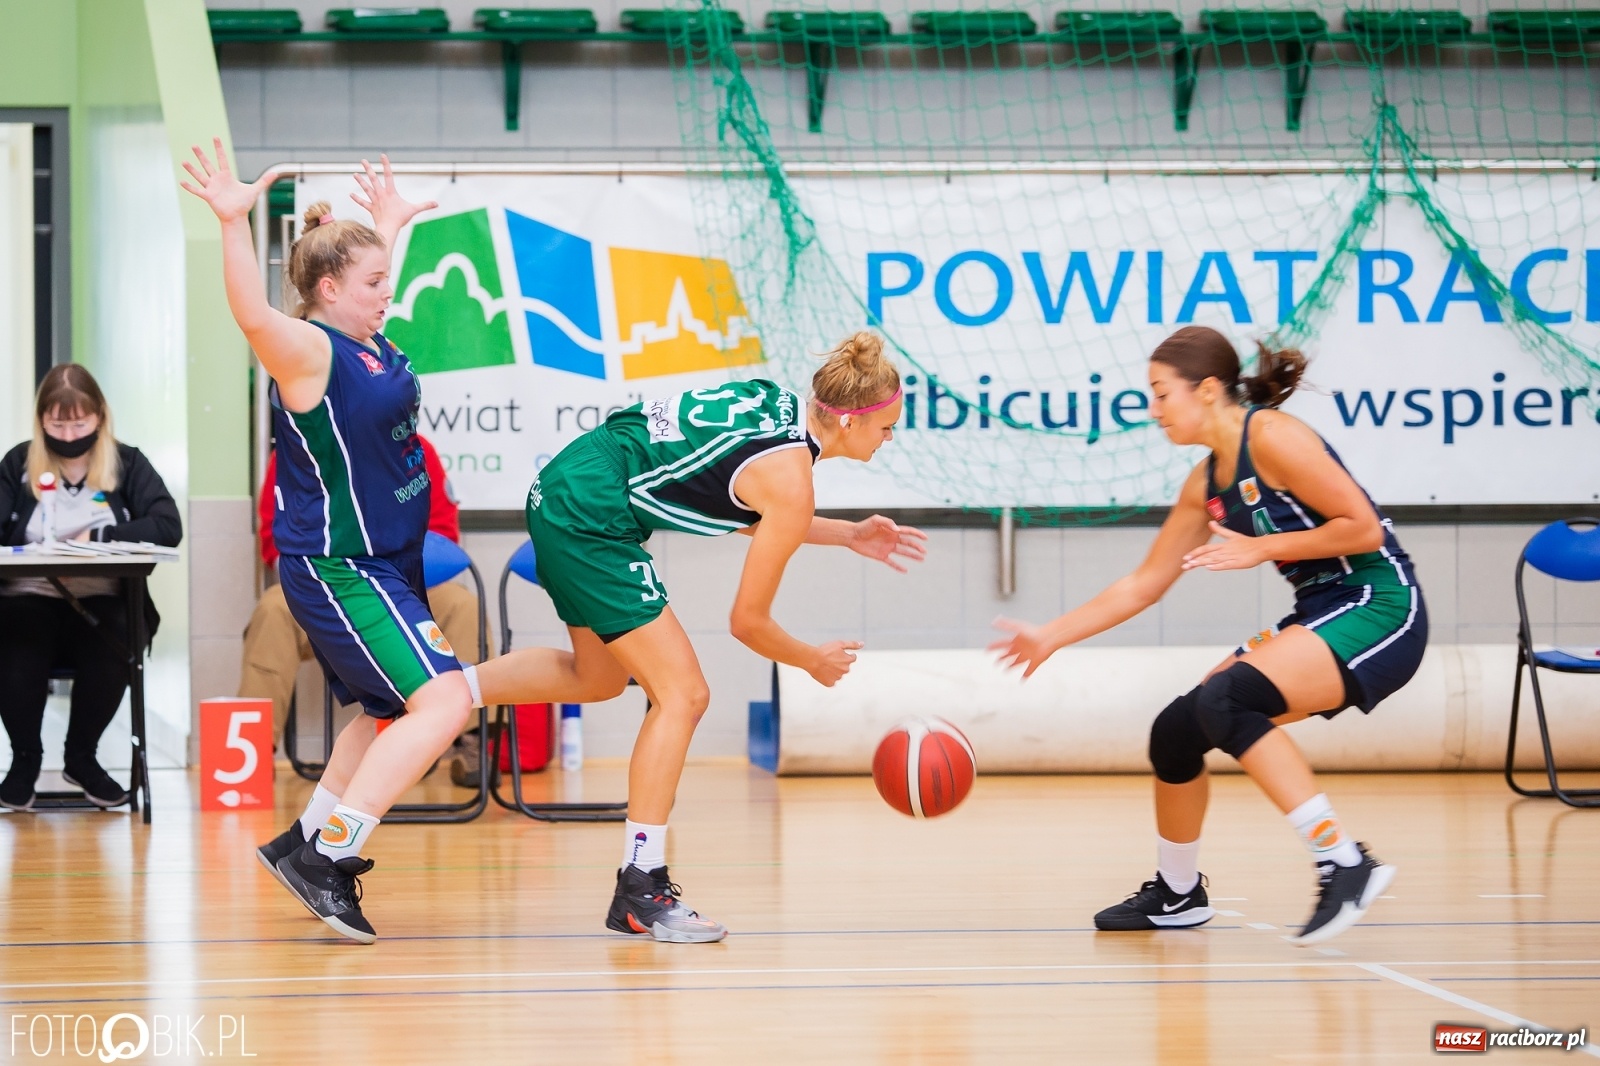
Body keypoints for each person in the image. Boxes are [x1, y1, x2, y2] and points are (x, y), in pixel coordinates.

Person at [471, 332, 927, 943]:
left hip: (571, 483)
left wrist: (847, 534)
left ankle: (447, 691)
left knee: (598, 678)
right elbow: (749, 623)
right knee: (683, 695)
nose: (889, 439)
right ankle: (642, 885)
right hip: (591, 515)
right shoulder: (792, 482)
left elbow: (728, 502)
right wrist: (809, 660)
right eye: (887, 428)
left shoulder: (776, 406)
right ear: (848, 420)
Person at [991, 325, 1426, 946]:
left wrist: (1263, 549)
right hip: (1324, 610)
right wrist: (1050, 635)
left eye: (1163, 394)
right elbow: (1144, 584)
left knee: (1228, 700)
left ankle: (1344, 861)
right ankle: (1178, 893)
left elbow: (1364, 530)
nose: (1154, 409)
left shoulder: (1273, 437)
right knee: (1179, 728)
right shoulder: (1205, 484)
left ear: (1210, 389)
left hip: (1380, 604)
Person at [183, 143, 467, 945]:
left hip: (389, 562)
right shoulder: (308, 351)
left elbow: (369, 282)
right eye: (375, 283)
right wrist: (234, 225)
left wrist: (385, 227)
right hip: (341, 567)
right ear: (329, 290)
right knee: (443, 702)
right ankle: (329, 860)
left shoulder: (368, 336)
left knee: (385, 717)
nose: (390, 293)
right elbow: (250, 313)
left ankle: (305, 841)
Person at [238, 438, 486, 784]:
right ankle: (250, 755)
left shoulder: (416, 449)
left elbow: (442, 534)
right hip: (321, 588)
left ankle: (471, 743)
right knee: (271, 611)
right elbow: (274, 538)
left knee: (463, 606)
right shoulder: (295, 451)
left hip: (403, 587)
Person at [0, 365, 182, 810]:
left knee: (121, 634)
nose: (68, 433)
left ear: (99, 417)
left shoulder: (127, 463)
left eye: (78, 423)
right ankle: (24, 760)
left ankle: (81, 758)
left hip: (101, 602)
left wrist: (98, 539)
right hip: (29, 597)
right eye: (57, 424)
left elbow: (166, 524)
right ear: (41, 421)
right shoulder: (19, 463)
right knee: (16, 639)